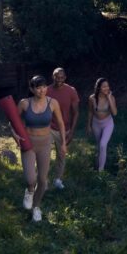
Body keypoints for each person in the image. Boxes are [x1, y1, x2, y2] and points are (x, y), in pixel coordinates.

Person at [18, 75, 66, 222]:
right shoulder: (24, 103)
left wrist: (63, 143)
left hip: (45, 143)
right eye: (38, 87)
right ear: (32, 89)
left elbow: (61, 123)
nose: (42, 90)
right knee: (31, 179)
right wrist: (15, 136)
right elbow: (12, 121)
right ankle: (30, 190)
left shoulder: (53, 103)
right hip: (29, 144)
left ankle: (36, 207)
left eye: (44, 86)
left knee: (43, 181)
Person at [46, 67, 80, 189]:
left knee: (61, 155)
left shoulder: (71, 91)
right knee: (45, 154)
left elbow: (76, 112)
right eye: (56, 77)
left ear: (65, 78)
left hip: (64, 128)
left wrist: (71, 131)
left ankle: (58, 179)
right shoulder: (47, 91)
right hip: (49, 127)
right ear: (52, 76)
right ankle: (43, 180)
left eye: (61, 77)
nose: (59, 79)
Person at [87, 77, 117, 172]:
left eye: (107, 86)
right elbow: (90, 112)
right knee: (99, 146)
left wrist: (109, 98)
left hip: (108, 123)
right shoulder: (92, 98)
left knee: (103, 144)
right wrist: (89, 125)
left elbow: (115, 113)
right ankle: (97, 163)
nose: (106, 88)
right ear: (98, 88)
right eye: (104, 87)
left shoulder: (111, 98)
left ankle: (101, 171)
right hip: (96, 124)